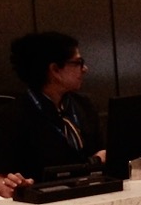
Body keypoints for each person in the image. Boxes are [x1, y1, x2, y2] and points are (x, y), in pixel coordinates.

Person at [6, 32, 106, 179]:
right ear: (55, 70)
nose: (85, 69)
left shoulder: (84, 105)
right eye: (78, 63)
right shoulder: (14, 116)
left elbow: (102, 152)